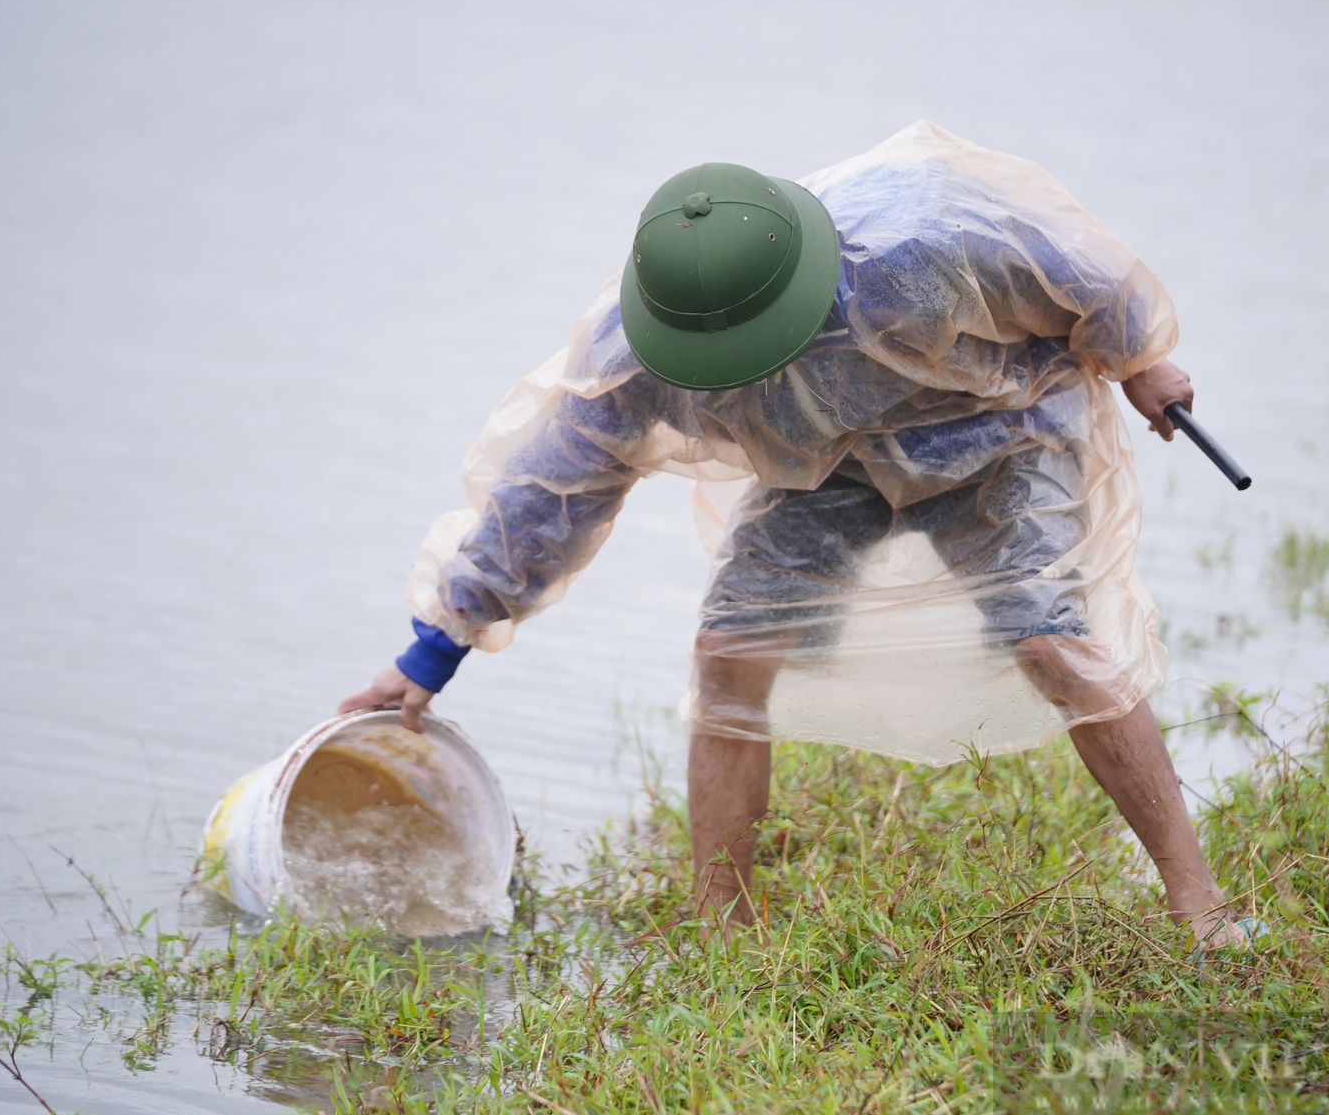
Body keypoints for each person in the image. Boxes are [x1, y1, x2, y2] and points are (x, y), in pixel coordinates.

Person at [341, 122, 1254, 947]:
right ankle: (725, 928)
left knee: (1052, 640)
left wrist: (1142, 359)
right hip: (830, 466)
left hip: (999, 430)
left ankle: (1196, 900)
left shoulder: (923, 238)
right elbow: (546, 498)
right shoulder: (637, 358)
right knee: (730, 652)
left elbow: (1083, 278)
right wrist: (432, 652)